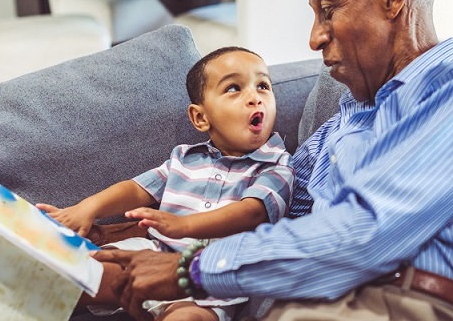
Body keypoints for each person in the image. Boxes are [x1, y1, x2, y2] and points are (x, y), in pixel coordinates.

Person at [93, 0, 453, 320]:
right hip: (313, 301)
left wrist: (191, 269)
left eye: (328, 9)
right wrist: (157, 241)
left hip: (405, 303)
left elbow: (363, 235)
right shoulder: (341, 124)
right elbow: (272, 208)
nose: (315, 37)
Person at [37, 46, 294, 321]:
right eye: (234, 88)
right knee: (78, 270)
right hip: (153, 254)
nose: (255, 98)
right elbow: (137, 189)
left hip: (211, 281)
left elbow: (252, 212)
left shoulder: (277, 165)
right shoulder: (184, 158)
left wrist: (183, 226)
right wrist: (88, 208)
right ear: (200, 117)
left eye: (263, 86)